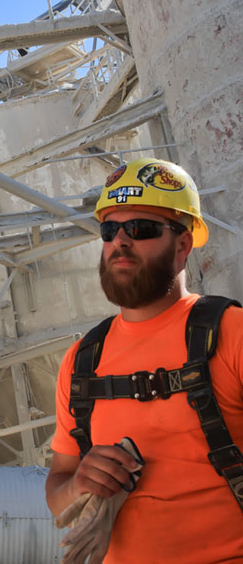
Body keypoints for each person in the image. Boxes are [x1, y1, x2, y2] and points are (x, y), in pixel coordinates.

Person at [45, 157, 243, 562]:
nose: (121, 241)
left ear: (183, 244)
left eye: (141, 228)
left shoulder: (232, 334)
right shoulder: (82, 362)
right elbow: (57, 490)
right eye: (109, 229)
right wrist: (83, 482)